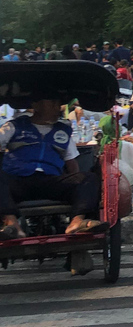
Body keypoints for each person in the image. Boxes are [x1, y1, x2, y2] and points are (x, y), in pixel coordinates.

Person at [0, 91, 105, 240]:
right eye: (53, 103)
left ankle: (76, 222)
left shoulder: (63, 131)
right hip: (18, 181)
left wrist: (76, 184)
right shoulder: (14, 126)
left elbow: (72, 164)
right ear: (36, 105)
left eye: (59, 104)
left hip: (50, 181)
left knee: (88, 178)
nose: (58, 107)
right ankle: (12, 225)